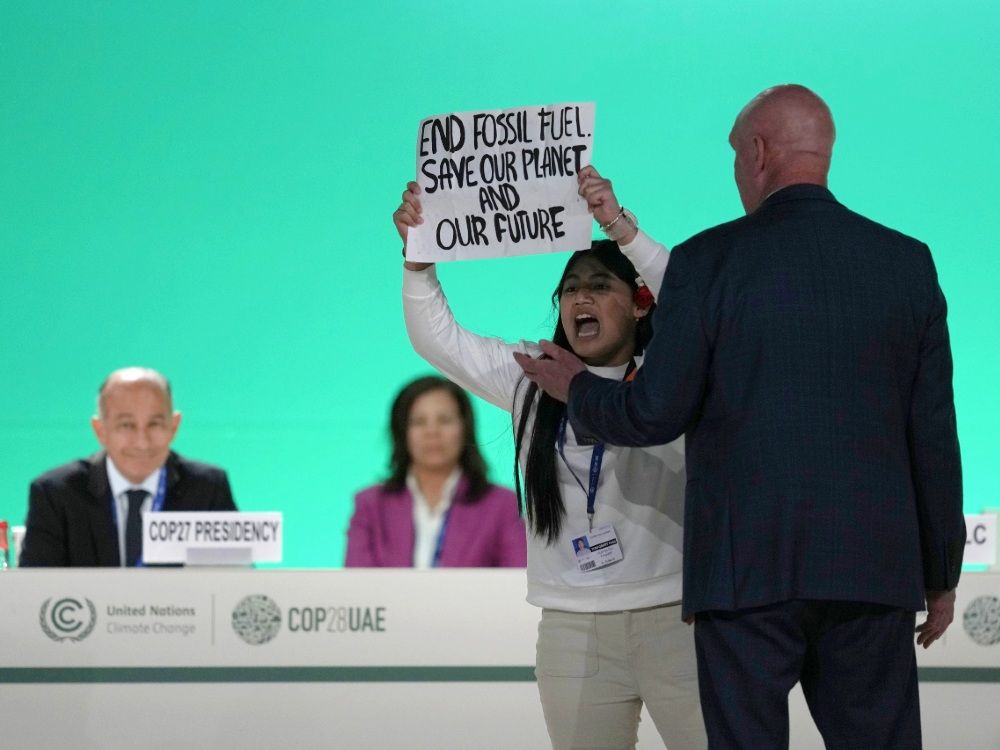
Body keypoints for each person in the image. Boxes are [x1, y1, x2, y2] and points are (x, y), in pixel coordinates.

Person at [517, 85, 965, 749]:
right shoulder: (906, 263)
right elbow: (932, 439)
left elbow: (653, 412)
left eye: (734, 156)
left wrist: (578, 388)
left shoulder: (708, 261)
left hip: (743, 576)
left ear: (758, 153)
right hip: (871, 570)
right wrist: (941, 575)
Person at [395, 168, 706, 749]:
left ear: (641, 304)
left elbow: (691, 298)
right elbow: (438, 339)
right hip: (571, 627)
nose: (579, 298)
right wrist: (419, 260)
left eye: (599, 285)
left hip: (677, 618)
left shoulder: (676, 374)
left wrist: (618, 226)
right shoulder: (533, 377)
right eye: (569, 289)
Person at [20, 367, 237, 567]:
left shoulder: (208, 488)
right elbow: (33, 592)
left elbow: (236, 585)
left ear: (174, 426)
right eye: (127, 425)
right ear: (100, 430)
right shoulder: (56, 494)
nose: (142, 442)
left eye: (155, 424)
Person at [345, 375, 527, 568]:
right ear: (401, 431)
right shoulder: (371, 505)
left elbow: (515, 583)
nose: (432, 431)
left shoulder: (502, 505)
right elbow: (356, 588)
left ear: (465, 428)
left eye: (444, 420)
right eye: (419, 421)